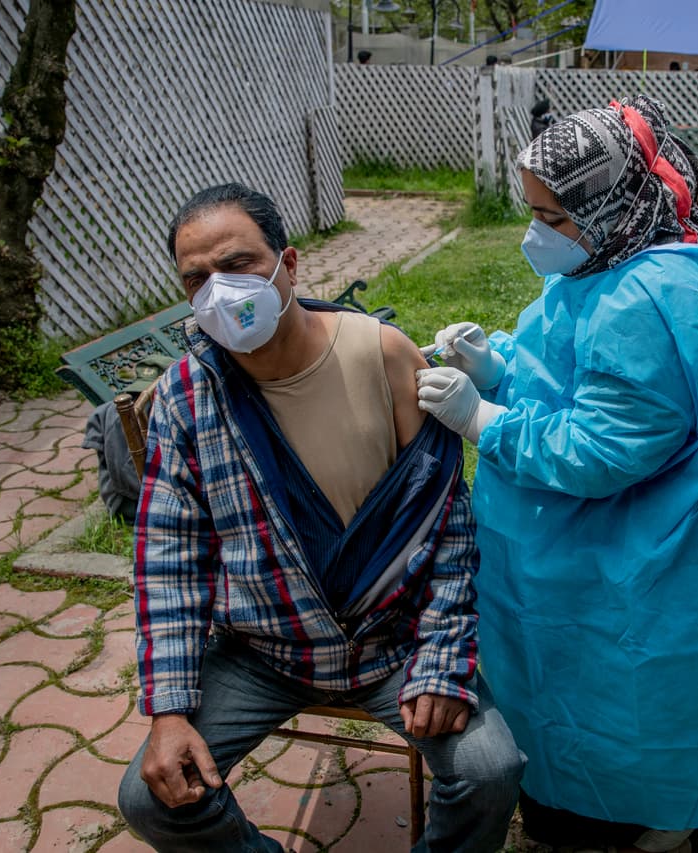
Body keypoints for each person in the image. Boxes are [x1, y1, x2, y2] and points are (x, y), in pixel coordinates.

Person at [415, 96, 698, 852]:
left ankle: (673, 810)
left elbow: (601, 447)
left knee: (655, 672)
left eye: (553, 216)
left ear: (607, 203)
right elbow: (571, 368)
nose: (536, 233)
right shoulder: (626, 254)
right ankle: (667, 798)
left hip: (672, 517)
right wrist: (499, 364)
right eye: (535, 211)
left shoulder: (650, 295)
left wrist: (483, 421)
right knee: (672, 670)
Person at [116, 183, 524, 852]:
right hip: (262, 651)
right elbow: (168, 563)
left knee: (489, 770)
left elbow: (448, 530)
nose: (221, 288)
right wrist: (167, 708)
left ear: (290, 264)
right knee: (149, 796)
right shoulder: (187, 399)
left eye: (238, 263)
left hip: (391, 646)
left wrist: (443, 659)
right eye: (197, 278)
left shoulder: (383, 355)